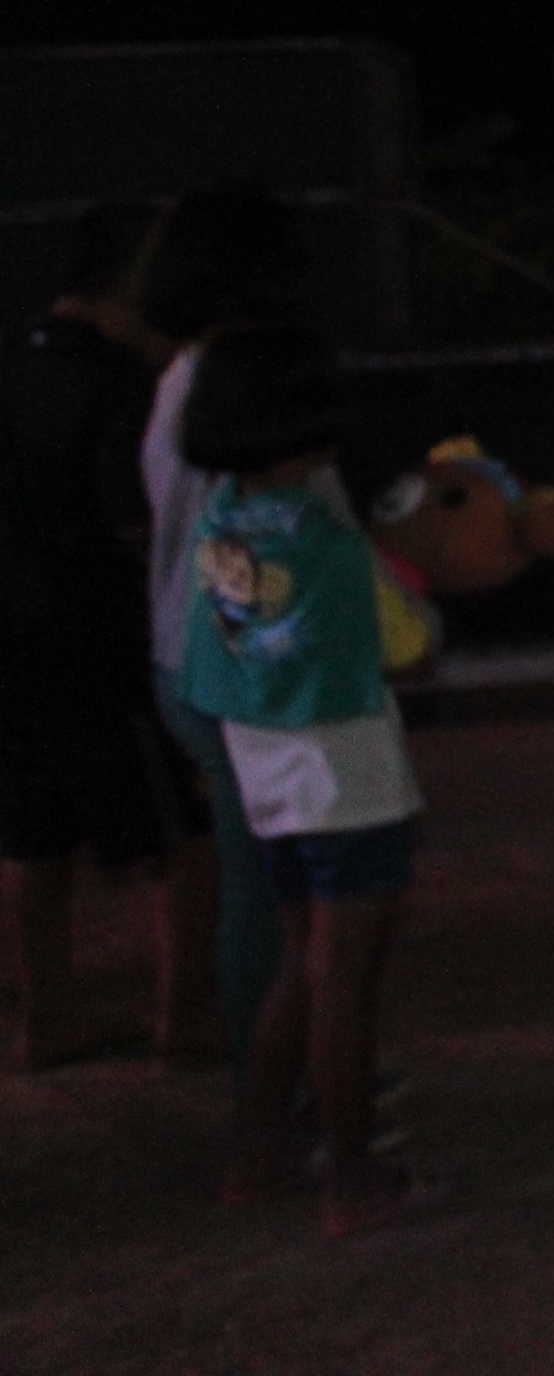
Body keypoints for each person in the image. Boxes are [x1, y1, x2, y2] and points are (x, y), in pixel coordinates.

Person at [172, 323, 428, 1236]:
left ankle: (256, 1152)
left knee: (298, 967)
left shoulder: (218, 524)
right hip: (349, 779)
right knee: (344, 980)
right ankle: (351, 1176)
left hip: (267, 779)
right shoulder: (327, 543)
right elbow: (405, 641)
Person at [1, 201, 210, 1068]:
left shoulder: (15, 365)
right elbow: (133, 518)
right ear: (125, 285)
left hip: (15, 637)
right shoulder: (124, 384)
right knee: (181, 836)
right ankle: (186, 1021)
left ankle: (45, 1021)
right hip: (101, 639)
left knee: (31, 836)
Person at [136, 181, 318, 1065]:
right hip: (237, 667)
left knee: (262, 887)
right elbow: (247, 552)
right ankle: (278, 1084)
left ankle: (281, 1076)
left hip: (192, 658)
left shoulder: (181, 376)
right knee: (280, 898)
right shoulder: (240, 384)